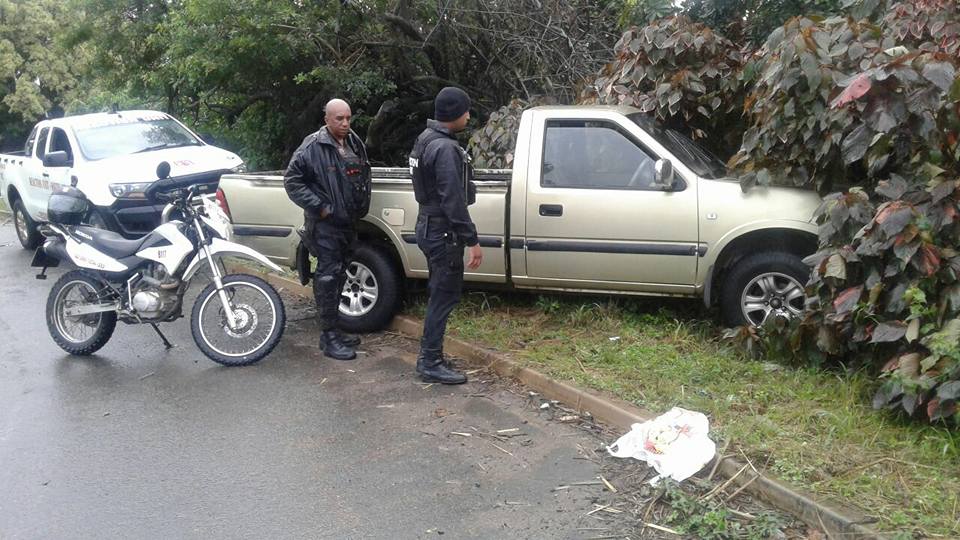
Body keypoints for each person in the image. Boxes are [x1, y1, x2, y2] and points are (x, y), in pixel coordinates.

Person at [284, 98, 372, 360]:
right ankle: (328, 336)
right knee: (327, 277)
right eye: (339, 119)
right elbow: (292, 181)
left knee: (341, 275)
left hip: (348, 223)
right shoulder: (312, 146)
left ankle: (336, 329)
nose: (345, 123)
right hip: (325, 226)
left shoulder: (353, 141)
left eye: (348, 118)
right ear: (327, 119)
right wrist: (321, 207)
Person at [408, 87, 483, 384]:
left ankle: (432, 355)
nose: (468, 115)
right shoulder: (445, 149)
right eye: (465, 110)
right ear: (454, 113)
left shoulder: (425, 139)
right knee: (444, 295)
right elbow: (453, 200)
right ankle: (430, 361)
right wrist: (472, 240)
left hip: (428, 224)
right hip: (442, 231)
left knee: (439, 292)